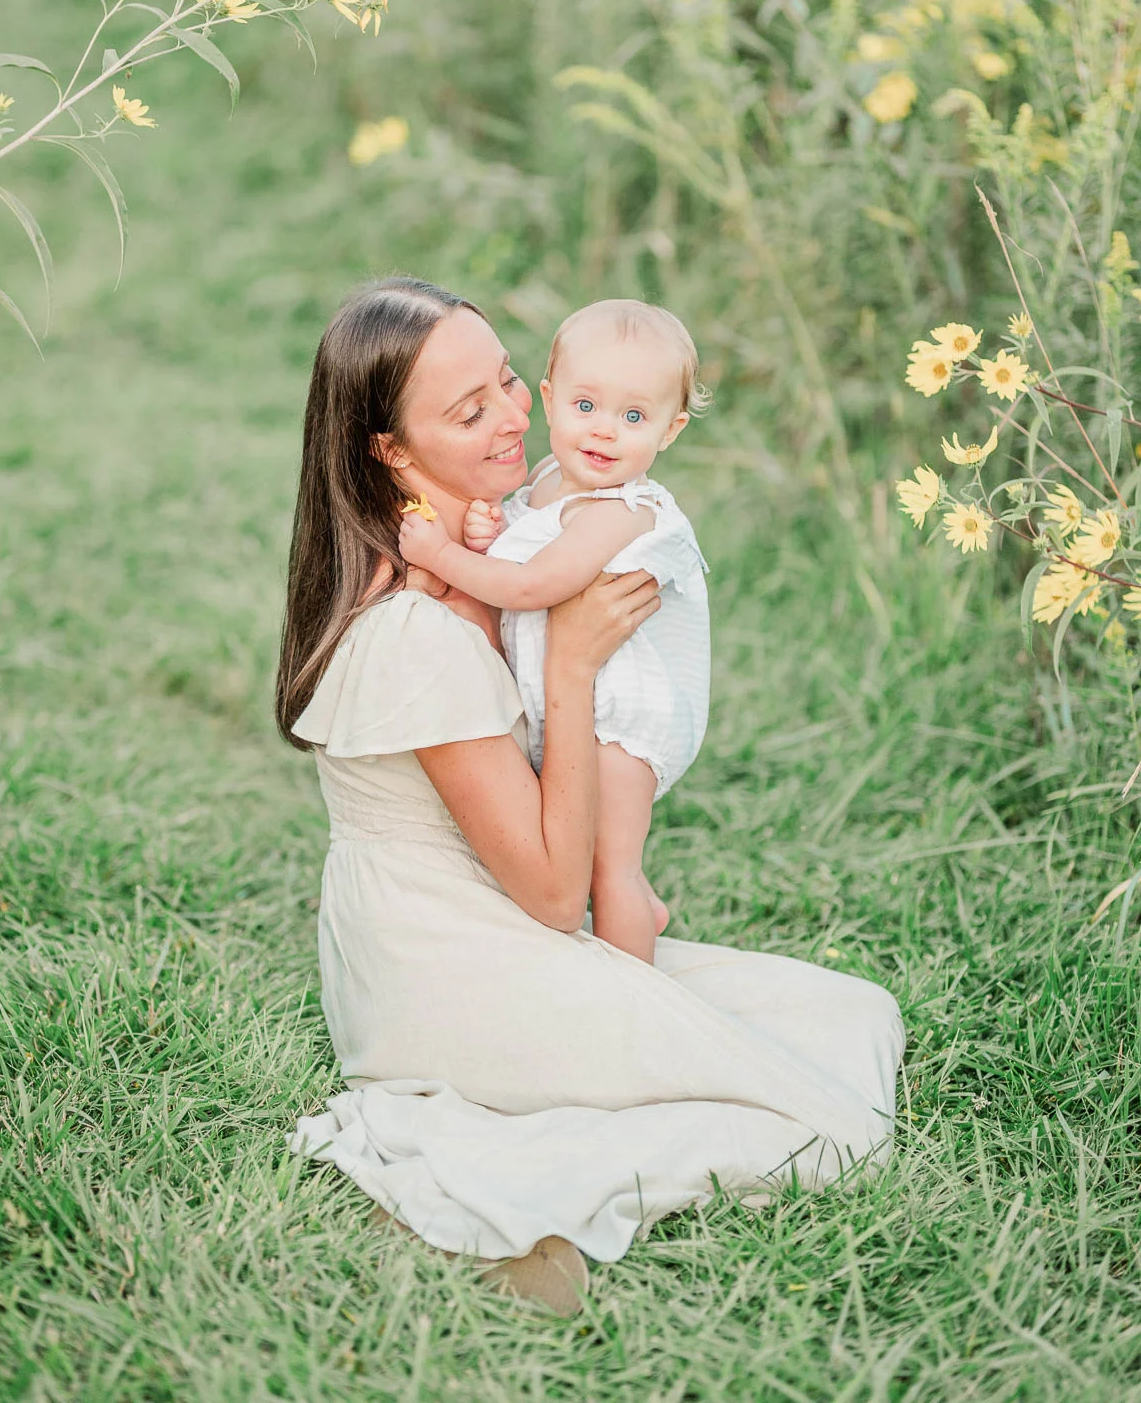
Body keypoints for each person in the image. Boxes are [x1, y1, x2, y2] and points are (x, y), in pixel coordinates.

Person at [278, 275, 905, 1314]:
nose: (518, 418)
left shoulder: (502, 543)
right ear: (390, 450)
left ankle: (553, 1120)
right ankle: (505, 1183)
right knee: (825, 1120)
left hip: (497, 924)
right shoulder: (417, 629)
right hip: (442, 968)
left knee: (852, 1017)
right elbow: (554, 893)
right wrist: (568, 668)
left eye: (512, 381)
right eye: (470, 411)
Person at [397, 298, 711, 964]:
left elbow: (535, 585)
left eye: (634, 417)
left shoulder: (620, 511)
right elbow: (525, 547)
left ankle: (637, 998)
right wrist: (496, 532)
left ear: (671, 430)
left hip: (625, 722)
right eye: (586, 406)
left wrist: (444, 556)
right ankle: (645, 913)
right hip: (579, 703)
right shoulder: (545, 481)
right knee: (591, 845)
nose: (604, 432)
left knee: (607, 868)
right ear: (550, 396)